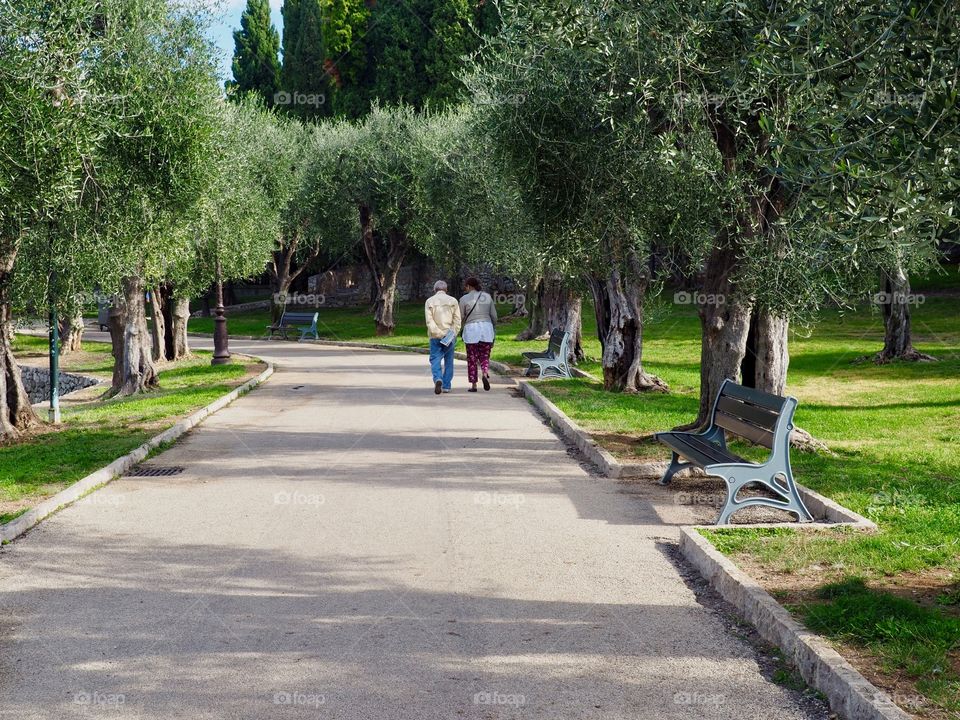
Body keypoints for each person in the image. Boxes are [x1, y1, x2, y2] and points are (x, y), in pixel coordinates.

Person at [459, 277, 497, 392]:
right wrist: (493, 327)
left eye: (466, 286)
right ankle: (485, 373)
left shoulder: (464, 299)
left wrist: (459, 327)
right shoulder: (487, 297)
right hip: (486, 328)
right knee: (485, 356)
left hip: (471, 330)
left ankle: (474, 385)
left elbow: (460, 316)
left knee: (472, 358)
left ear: (469, 286)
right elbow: (494, 316)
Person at [424, 280, 462, 394]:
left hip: (435, 336)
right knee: (449, 360)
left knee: (435, 359)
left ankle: (438, 378)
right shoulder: (453, 301)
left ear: (434, 290)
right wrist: (452, 333)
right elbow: (457, 320)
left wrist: (438, 332)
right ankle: (446, 386)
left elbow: (429, 321)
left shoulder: (429, 301)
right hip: (449, 335)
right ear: (446, 290)